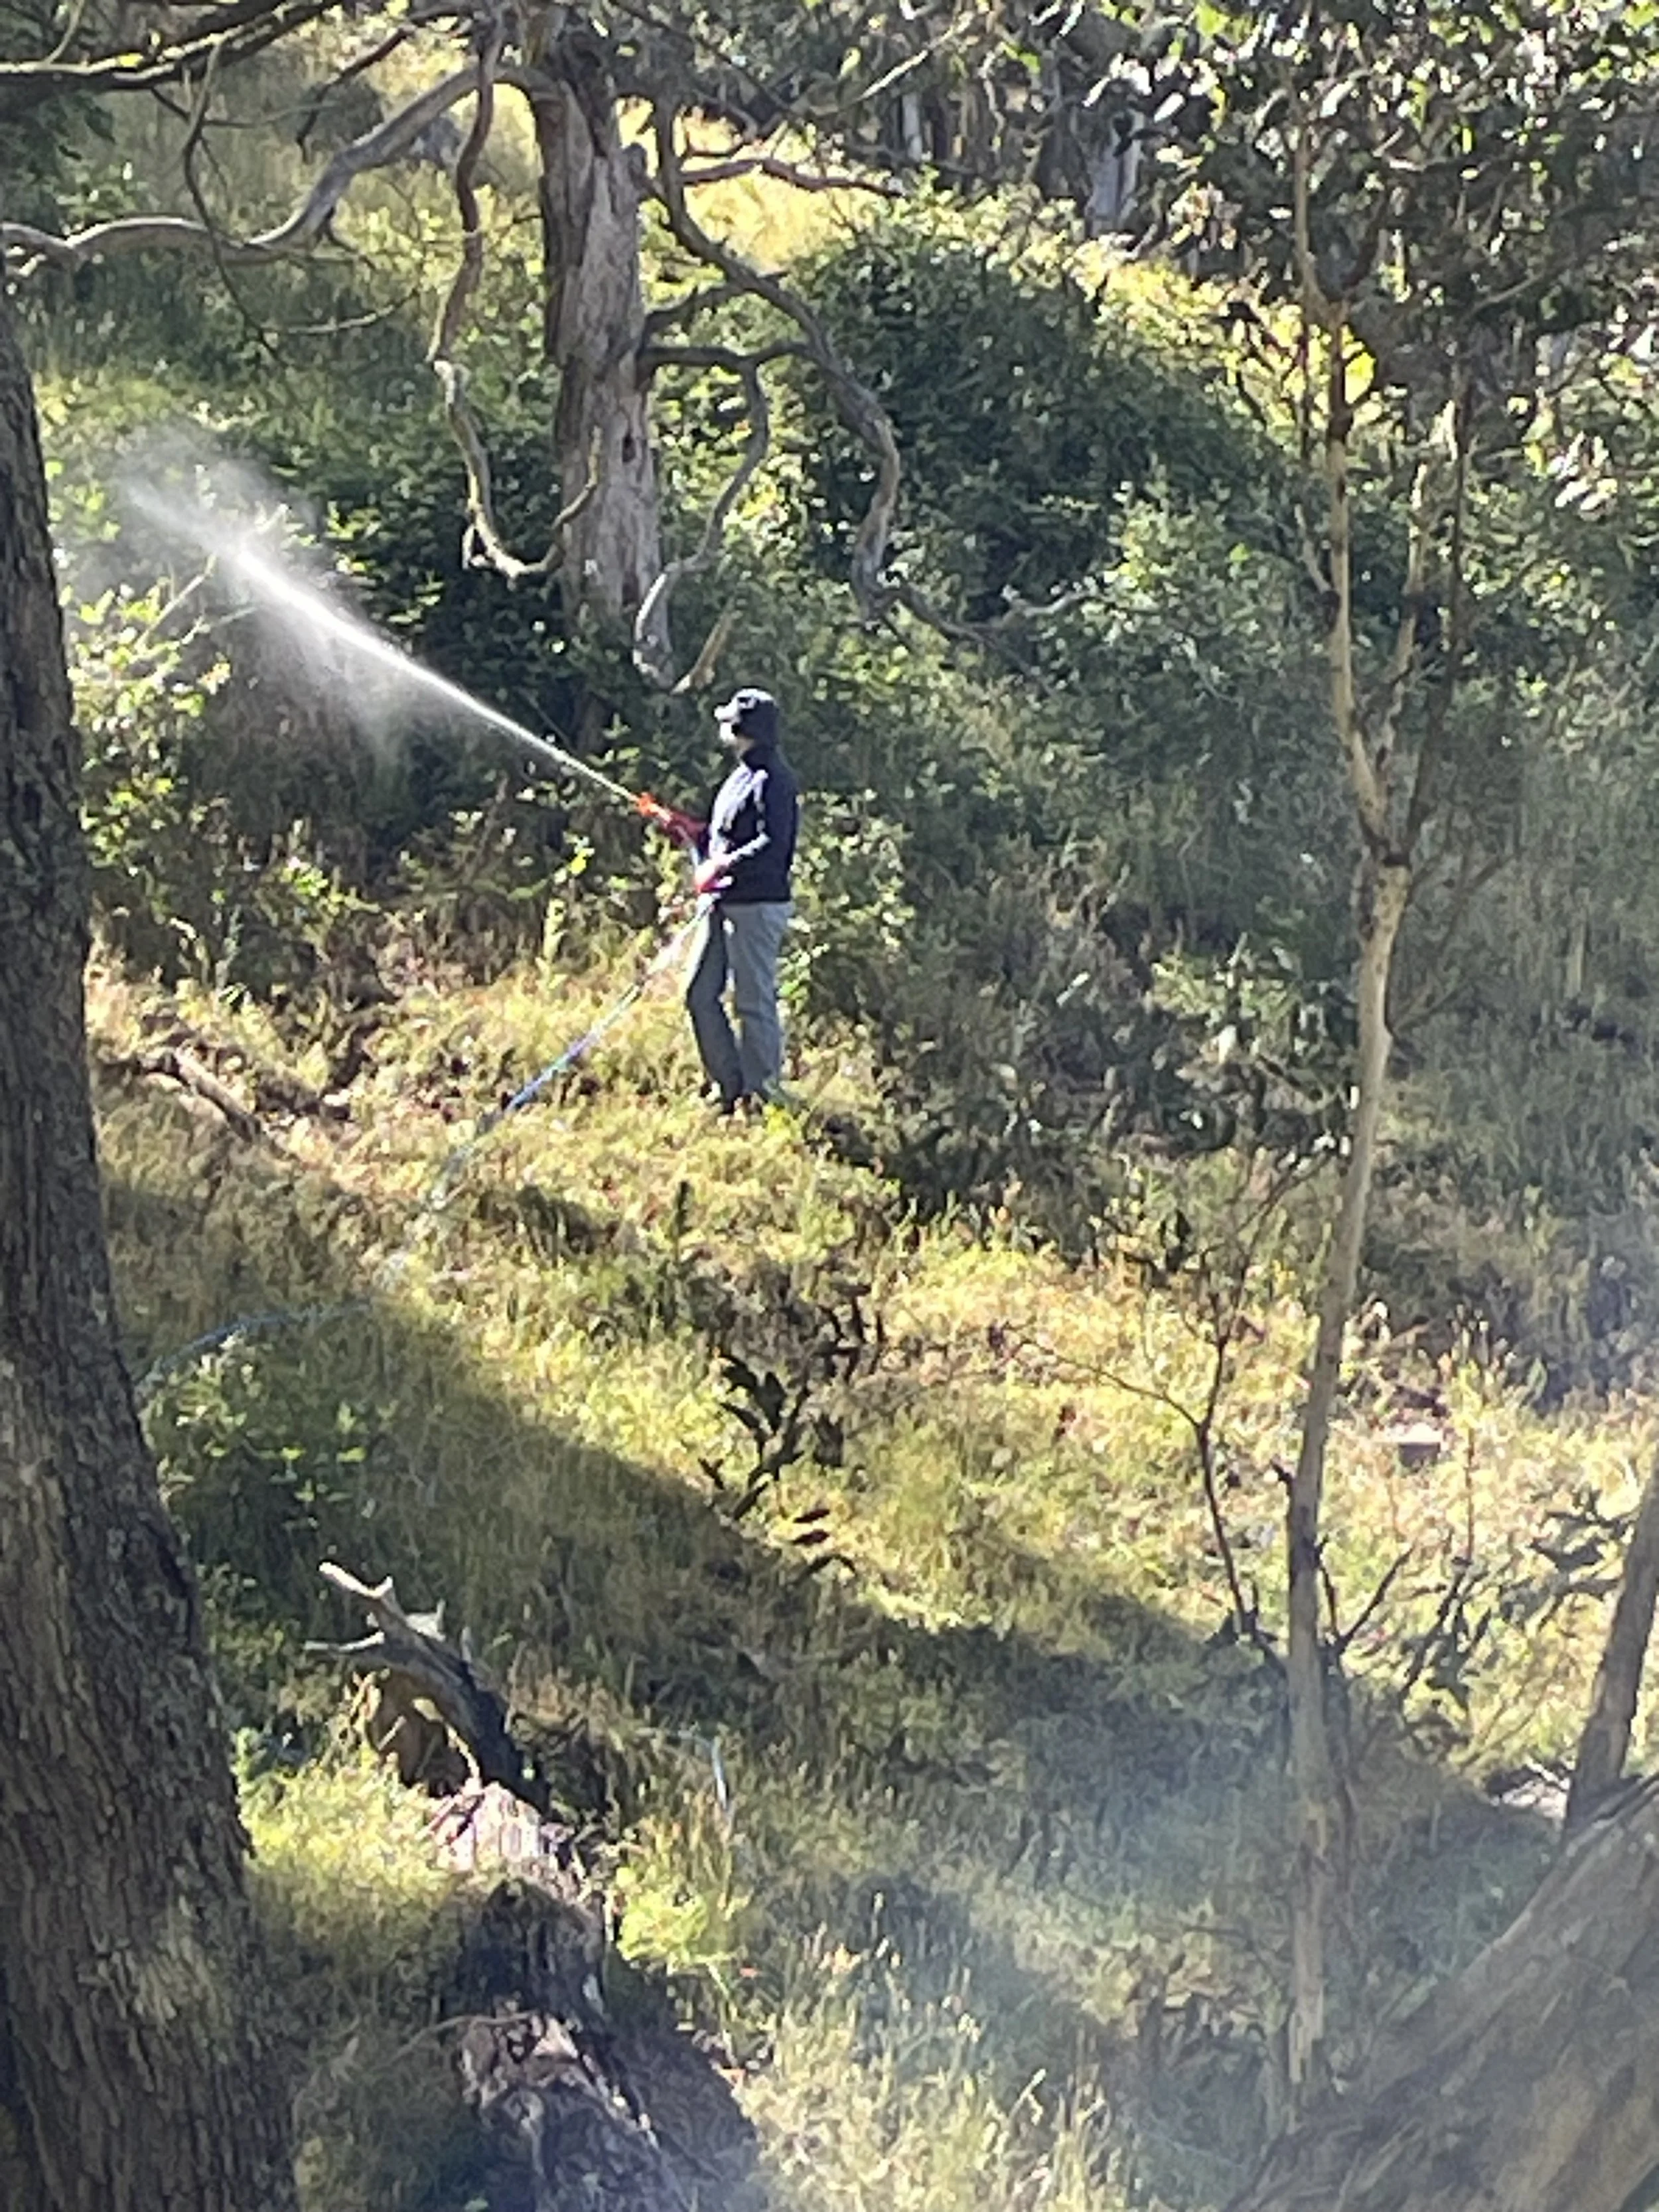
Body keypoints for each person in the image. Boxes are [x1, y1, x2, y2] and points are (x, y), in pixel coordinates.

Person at [684, 686, 800, 1113]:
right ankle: (729, 1088)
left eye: (730, 720)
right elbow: (730, 833)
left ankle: (764, 1096)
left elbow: (773, 846)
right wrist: (695, 834)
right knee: (699, 994)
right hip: (722, 904)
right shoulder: (741, 775)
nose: (724, 726)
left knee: (753, 1001)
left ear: (744, 729)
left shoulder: (775, 780)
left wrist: (721, 867)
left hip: (756, 908)